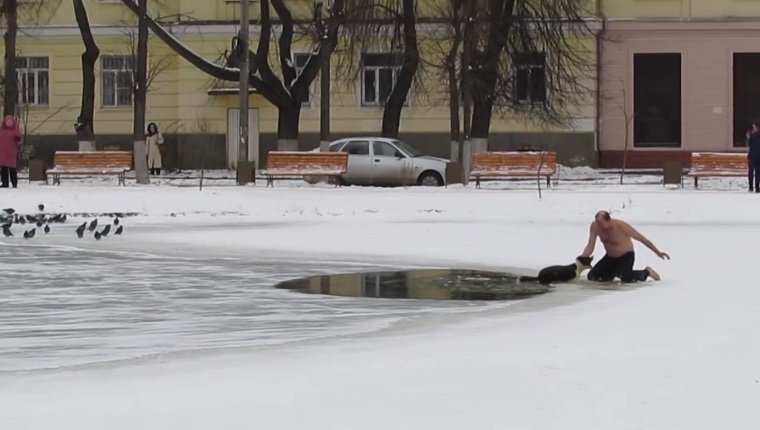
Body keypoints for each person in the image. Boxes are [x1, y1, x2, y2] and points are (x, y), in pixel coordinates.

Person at [581, 210, 670, 283]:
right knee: (592, 276)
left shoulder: (621, 226)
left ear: (609, 220)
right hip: (610, 257)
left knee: (626, 277)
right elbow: (590, 246)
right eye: (598, 223)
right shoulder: (595, 226)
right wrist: (582, 258)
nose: (600, 226)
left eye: (601, 224)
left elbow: (642, 239)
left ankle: (647, 272)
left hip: (626, 256)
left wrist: (658, 252)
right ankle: (611, 274)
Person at [0, 115, 22, 188]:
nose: (8, 123)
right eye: (7, 121)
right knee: (4, 169)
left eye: (10, 121)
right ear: (4, 122)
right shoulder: (1, 131)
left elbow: (19, 139)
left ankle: (14, 183)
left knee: (12, 169)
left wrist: (19, 135)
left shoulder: (15, 131)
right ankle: (4, 183)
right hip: (2, 153)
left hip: (11, 153)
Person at [746, 122, 760, 192]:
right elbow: (748, 144)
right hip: (752, 156)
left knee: (758, 172)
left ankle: (757, 187)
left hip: (758, 156)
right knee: (751, 172)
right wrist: (748, 138)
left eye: (754, 127)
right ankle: (751, 186)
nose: (753, 128)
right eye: (753, 127)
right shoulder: (751, 135)